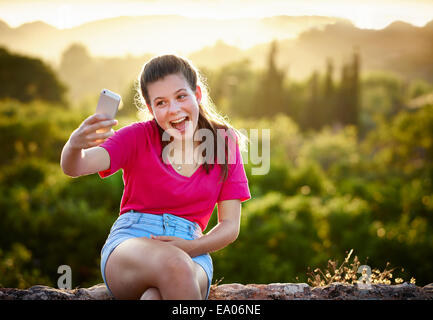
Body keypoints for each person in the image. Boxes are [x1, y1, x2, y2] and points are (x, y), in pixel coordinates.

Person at [60, 54, 251, 300]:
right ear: (150, 109)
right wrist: (74, 144)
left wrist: (189, 248)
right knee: (175, 264)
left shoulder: (224, 142)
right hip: (132, 242)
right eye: (161, 103)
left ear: (198, 94)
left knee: (154, 297)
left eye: (181, 96)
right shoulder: (137, 137)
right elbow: (76, 166)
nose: (174, 110)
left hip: (193, 251)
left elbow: (230, 226)